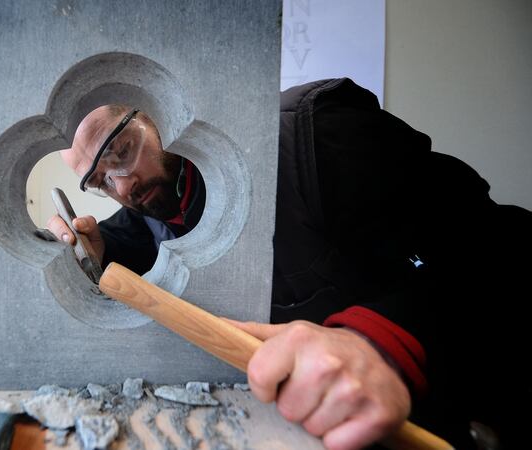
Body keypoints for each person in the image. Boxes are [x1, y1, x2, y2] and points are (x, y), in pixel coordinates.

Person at [47, 79, 531, 450]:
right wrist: (84, 242)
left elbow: (493, 243)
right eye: (100, 179)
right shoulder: (146, 205)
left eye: (121, 151)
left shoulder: (315, 139)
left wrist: (379, 340)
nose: (123, 184)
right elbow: (122, 235)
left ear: (160, 111)